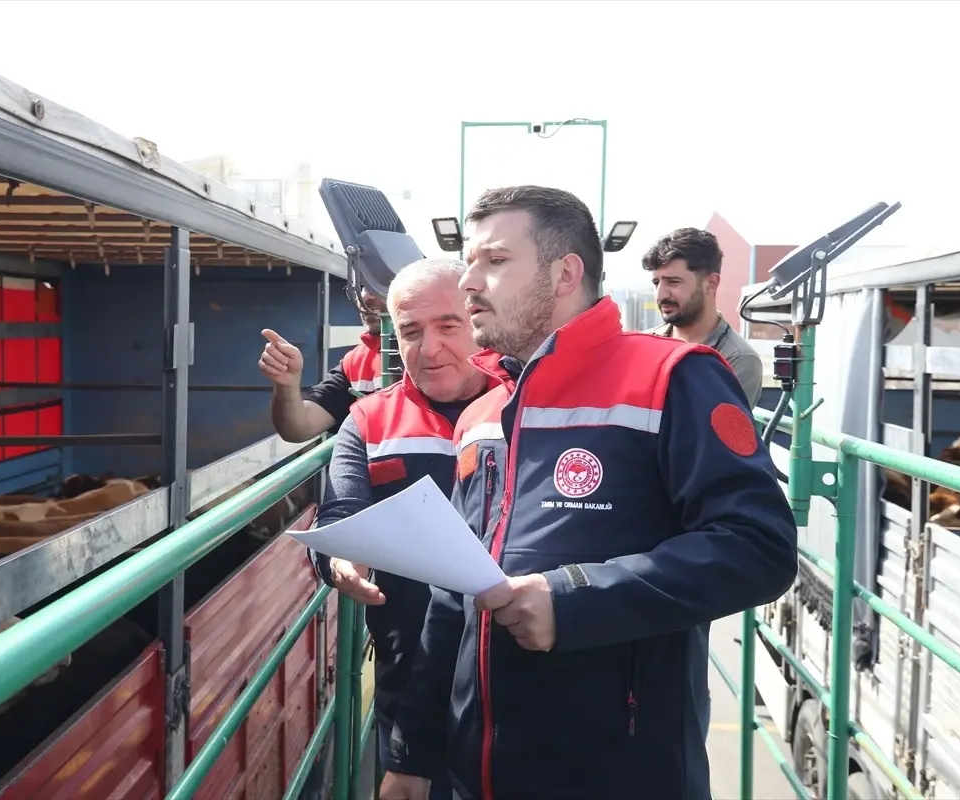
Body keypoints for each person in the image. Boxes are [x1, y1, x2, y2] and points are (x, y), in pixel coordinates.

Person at [380, 186, 798, 800]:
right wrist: (412, 752)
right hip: (478, 776)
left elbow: (758, 547)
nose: (469, 281)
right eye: (469, 262)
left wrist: (574, 599)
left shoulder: (673, 379)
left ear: (566, 273)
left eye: (495, 260)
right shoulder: (482, 416)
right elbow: (453, 589)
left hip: (620, 774)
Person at [307, 258, 502, 800]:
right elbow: (339, 513)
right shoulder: (370, 420)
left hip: (512, 669)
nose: (429, 348)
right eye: (411, 331)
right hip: (409, 669)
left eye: (448, 325)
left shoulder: (523, 403)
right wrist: (339, 560)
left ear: (477, 320)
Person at [642, 227, 764, 408]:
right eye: (656, 283)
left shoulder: (738, 359)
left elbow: (717, 425)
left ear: (711, 284)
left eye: (673, 282)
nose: (661, 295)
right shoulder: (645, 345)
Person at [259, 284, 386, 442]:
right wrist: (287, 385)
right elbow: (298, 429)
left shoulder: (418, 359)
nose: (365, 297)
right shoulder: (357, 363)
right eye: (362, 286)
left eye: (380, 282)